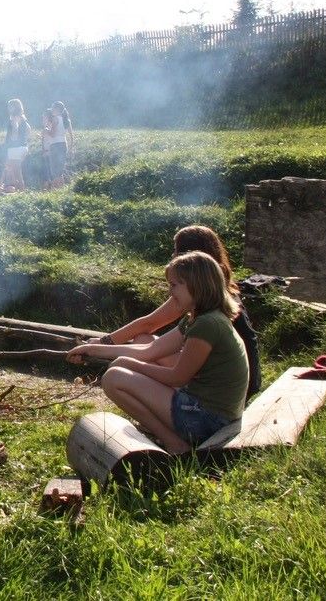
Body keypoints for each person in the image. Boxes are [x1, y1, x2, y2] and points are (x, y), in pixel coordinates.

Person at [68, 251, 249, 454]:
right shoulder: (199, 318)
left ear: (197, 285)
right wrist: (94, 349)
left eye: (174, 285)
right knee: (138, 352)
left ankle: (175, 444)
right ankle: (171, 434)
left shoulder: (207, 324)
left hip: (209, 420)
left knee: (113, 378)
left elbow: (178, 377)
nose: (170, 293)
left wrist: (129, 364)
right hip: (211, 411)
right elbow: (151, 349)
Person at [80, 224, 262, 397]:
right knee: (145, 341)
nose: (173, 254)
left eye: (176, 250)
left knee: (143, 343)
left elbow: (149, 323)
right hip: (243, 378)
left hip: (228, 386)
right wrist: (101, 347)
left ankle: (168, 402)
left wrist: (106, 342)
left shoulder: (201, 298)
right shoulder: (215, 289)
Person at [0, 98, 30, 193]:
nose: (8, 108)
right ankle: (17, 191)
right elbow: (29, 129)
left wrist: (14, 137)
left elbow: (15, 127)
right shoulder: (23, 117)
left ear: (15, 106)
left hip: (15, 148)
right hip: (22, 147)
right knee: (11, 169)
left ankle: (22, 193)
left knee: (17, 173)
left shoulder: (14, 117)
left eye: (10, 106)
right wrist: (24, 139)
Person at [46, 100, 74, 188]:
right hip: (63, 144)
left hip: (55, 145)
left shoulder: (55, 119)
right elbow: (71, 136)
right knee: (60, 171)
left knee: (54, 170)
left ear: (57, 109)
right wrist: (70, 148)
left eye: (52, 108)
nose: (51, 110)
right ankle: (61, 190)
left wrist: (46, 130)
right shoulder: (66, 120)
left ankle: (55, 190)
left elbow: (53, 134)